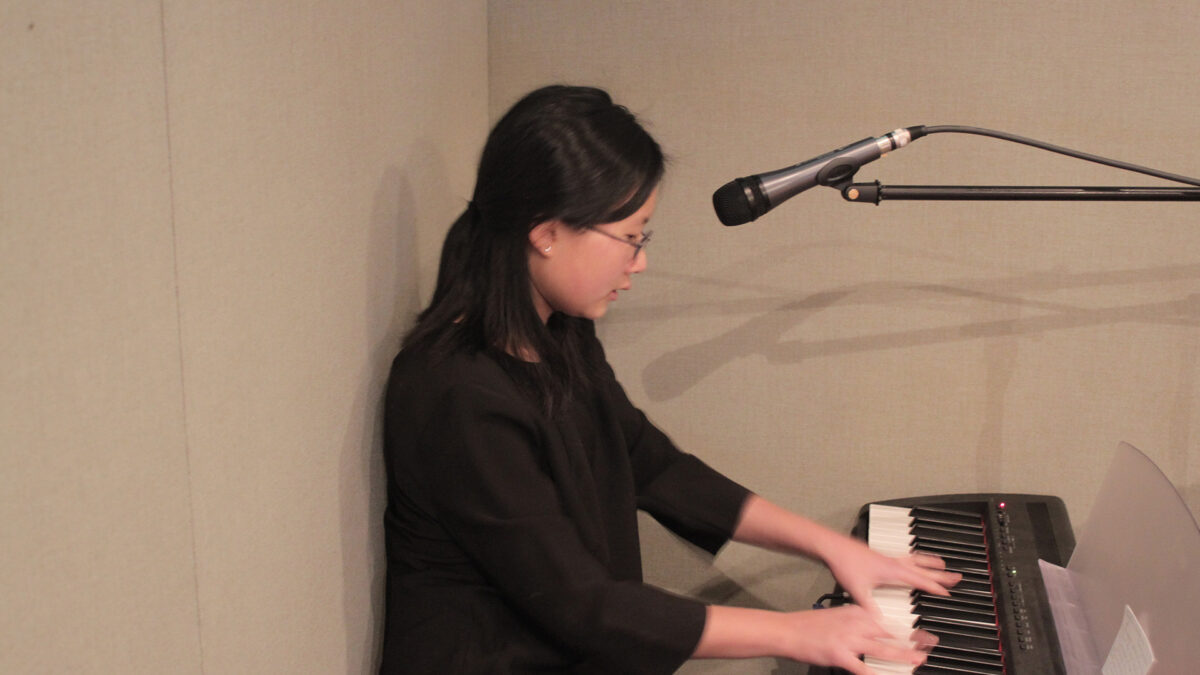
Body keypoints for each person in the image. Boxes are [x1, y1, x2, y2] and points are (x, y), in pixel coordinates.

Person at [379, 84, 959, 674]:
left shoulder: (558, 333)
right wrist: (798, 632)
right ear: (546, 231)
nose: (640, 262)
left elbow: (650, 463)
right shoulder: (457, 396)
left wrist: (832, 546)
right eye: (630, 237)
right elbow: (583, 606)